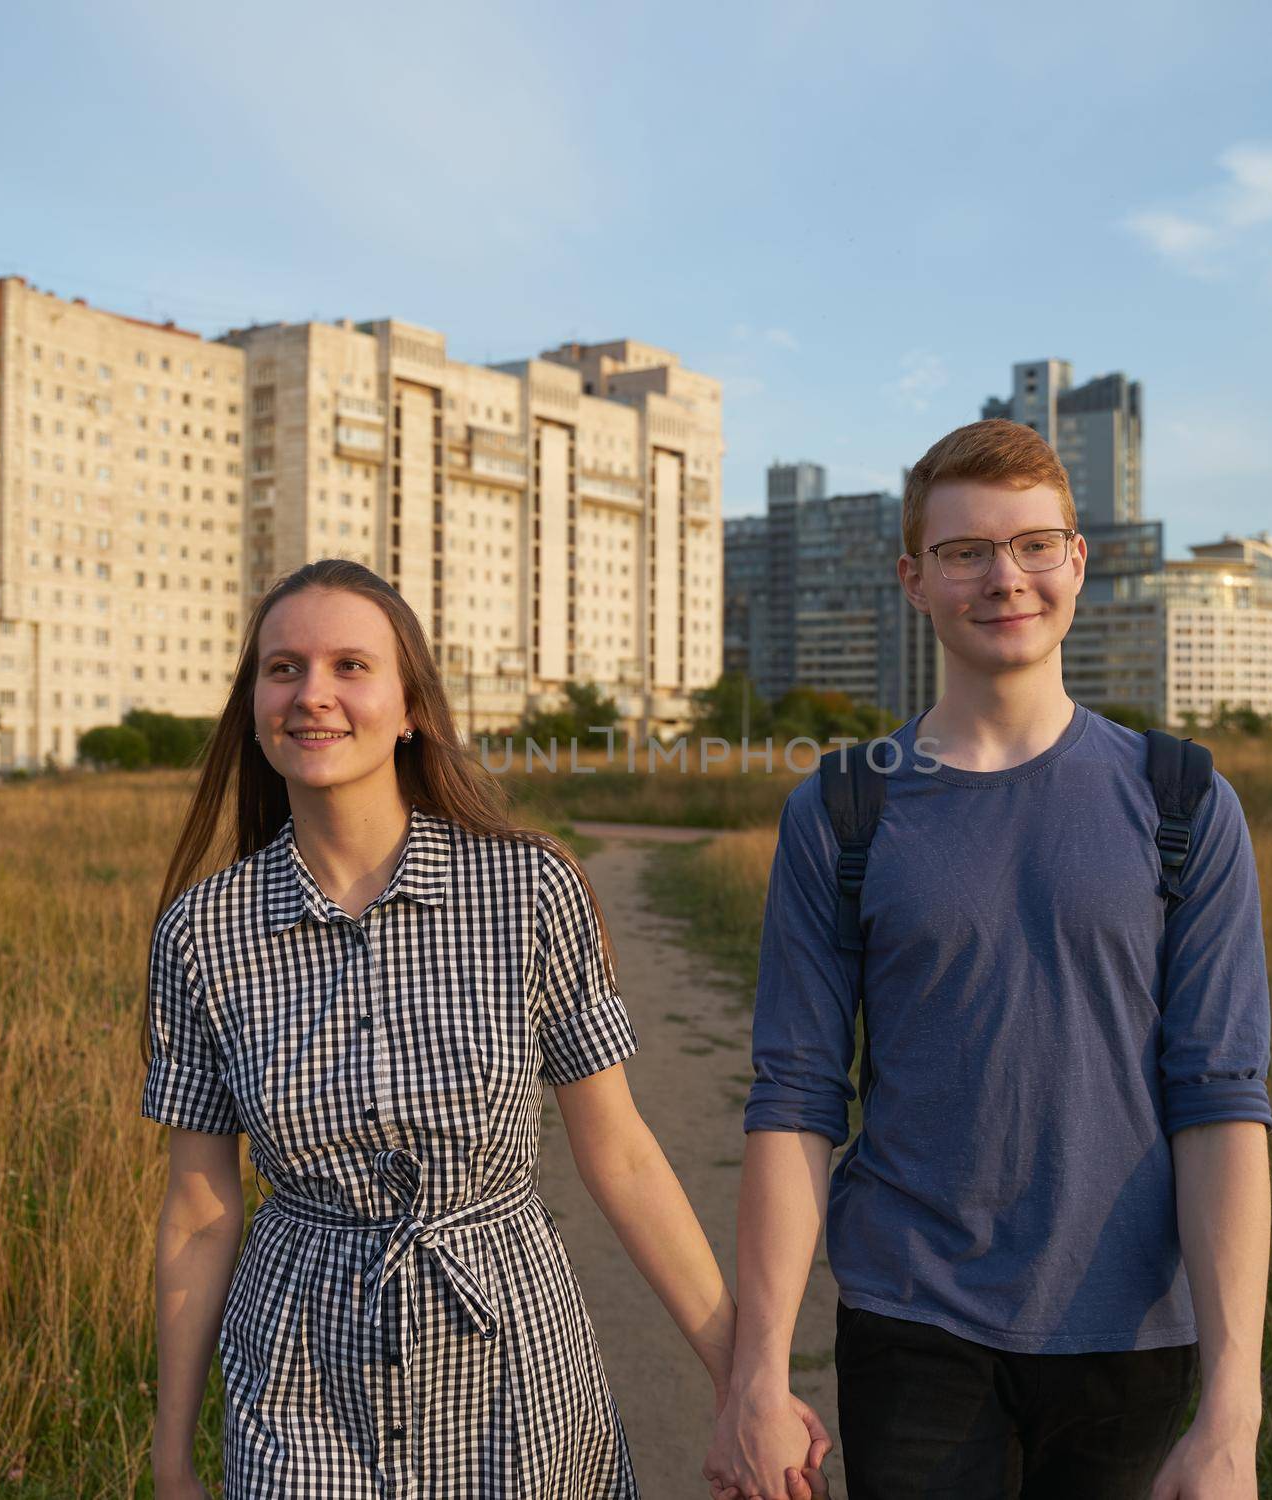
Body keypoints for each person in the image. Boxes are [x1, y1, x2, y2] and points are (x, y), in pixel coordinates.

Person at [140, 558, 830, 1497]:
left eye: (351, 666)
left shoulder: (528, 889)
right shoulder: (202, 932)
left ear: (411, 703)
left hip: (513, 1362)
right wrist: (172, 1453)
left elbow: (620, 1153)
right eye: (284, 669)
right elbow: (199, 1208)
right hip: (301, 1373)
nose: (314, 696)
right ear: (254, 703)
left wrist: (737, 1377)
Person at [706, 420, 1272, 1500]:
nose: (1003, 577)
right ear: (914, 579)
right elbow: (794, 1100)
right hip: (911, 1320)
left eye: (1032, 545)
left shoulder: (1183, 802)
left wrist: (1231, 1415)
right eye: (965, 551)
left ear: (1077, 561)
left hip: (1133, 1332)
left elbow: (1222, 1104)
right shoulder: (841, 808)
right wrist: (757, 1378)